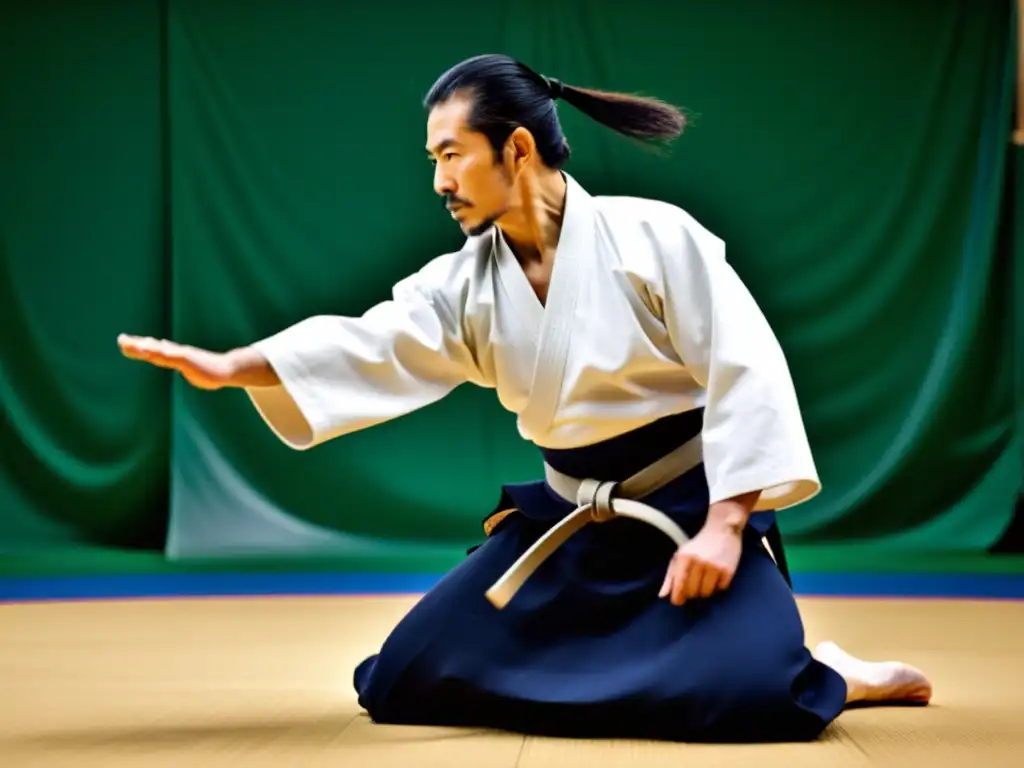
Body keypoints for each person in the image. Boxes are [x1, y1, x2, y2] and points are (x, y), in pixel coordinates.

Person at [118, 53, 932, 743]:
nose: (438, 181)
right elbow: (369, 343)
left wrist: (726, 527)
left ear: (514, 148)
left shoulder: (654, 237)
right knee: (398, 680)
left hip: (684, 519)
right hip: (569, 520)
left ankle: (830, 669)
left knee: (763, 697)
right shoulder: (464, 283)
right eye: (432, 161)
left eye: (451, 155)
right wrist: (236, 367)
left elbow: (745, 368)